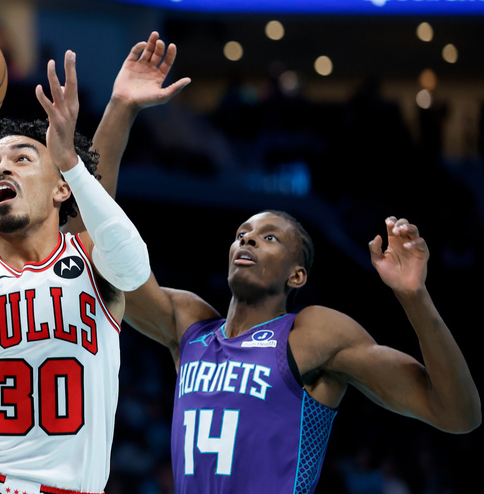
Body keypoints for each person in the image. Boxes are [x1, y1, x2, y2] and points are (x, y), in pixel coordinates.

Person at [84, 40, 481, 493]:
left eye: (269, 236)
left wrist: (415, 297)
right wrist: (119, 108)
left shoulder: (311, 335)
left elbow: (459, 415)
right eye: (242, 234)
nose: (248, 238)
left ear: (297, 275)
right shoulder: (188, 326)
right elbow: (94, 239)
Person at [0, 40, 186, 494]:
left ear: (62, 188)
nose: (1, 170)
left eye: (22, 159)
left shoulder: (92, 257)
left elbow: (130, 258)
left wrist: (117, 110)